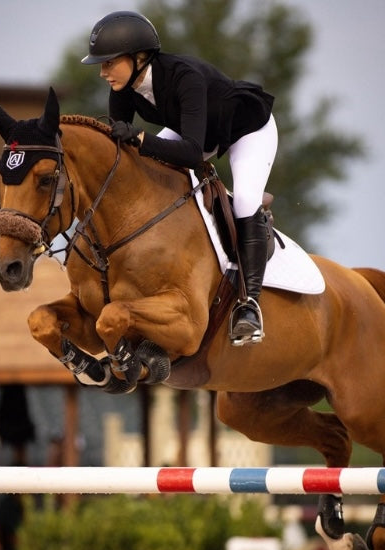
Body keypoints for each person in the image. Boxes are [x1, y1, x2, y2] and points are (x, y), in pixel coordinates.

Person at [81, 11, 276, 346]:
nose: (103, 72)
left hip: (247, 130)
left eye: (109, 62)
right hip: (194, 133)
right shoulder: (124, 86)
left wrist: (141, 139)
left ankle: (249, 305)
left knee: (244, 200)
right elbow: (121, 156)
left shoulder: (184, 77)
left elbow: (189, 152)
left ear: (139, 57)